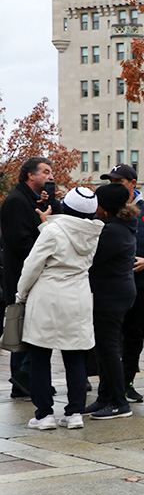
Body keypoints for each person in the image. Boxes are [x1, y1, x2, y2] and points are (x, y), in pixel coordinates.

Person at [16, 187, 102, 430]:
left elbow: (33, 265)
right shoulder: (93, 233)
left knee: (40, 357)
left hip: (48, 295)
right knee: (75, 357)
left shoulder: (53, 230)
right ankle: (75, 412)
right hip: (79, 296)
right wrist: (47, 225)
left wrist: (21, 294)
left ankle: (44, 414)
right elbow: (69, 245)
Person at [101, 164, 144, 404]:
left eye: (118, 181)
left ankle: (128, 383)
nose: (114, 186)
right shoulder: (106, 212)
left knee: (134, 337)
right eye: (111, 182)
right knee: (111, 339)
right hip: (113, 285)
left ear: (132, 183)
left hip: (142, 283)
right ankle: (109, 387)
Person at [2, 157, 59, 399]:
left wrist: (51, 204)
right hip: (21, 277)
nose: (50, 176)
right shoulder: (16, 202)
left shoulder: (34, 200)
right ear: (30, 176)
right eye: (45, 172)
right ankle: (22, 379)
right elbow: (21, 242)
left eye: (51, 171)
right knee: (24, 327)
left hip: (33, 276)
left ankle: (26, 379)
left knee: (31, 328)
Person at [83, 184, 139, 420]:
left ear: (105, 208)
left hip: (111, 295)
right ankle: (105, 397)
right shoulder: (117, 226)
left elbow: (90, 256)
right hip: (115, 292)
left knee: (108, 348)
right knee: (105, 347)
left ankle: (119, 401)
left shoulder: (113, 230)